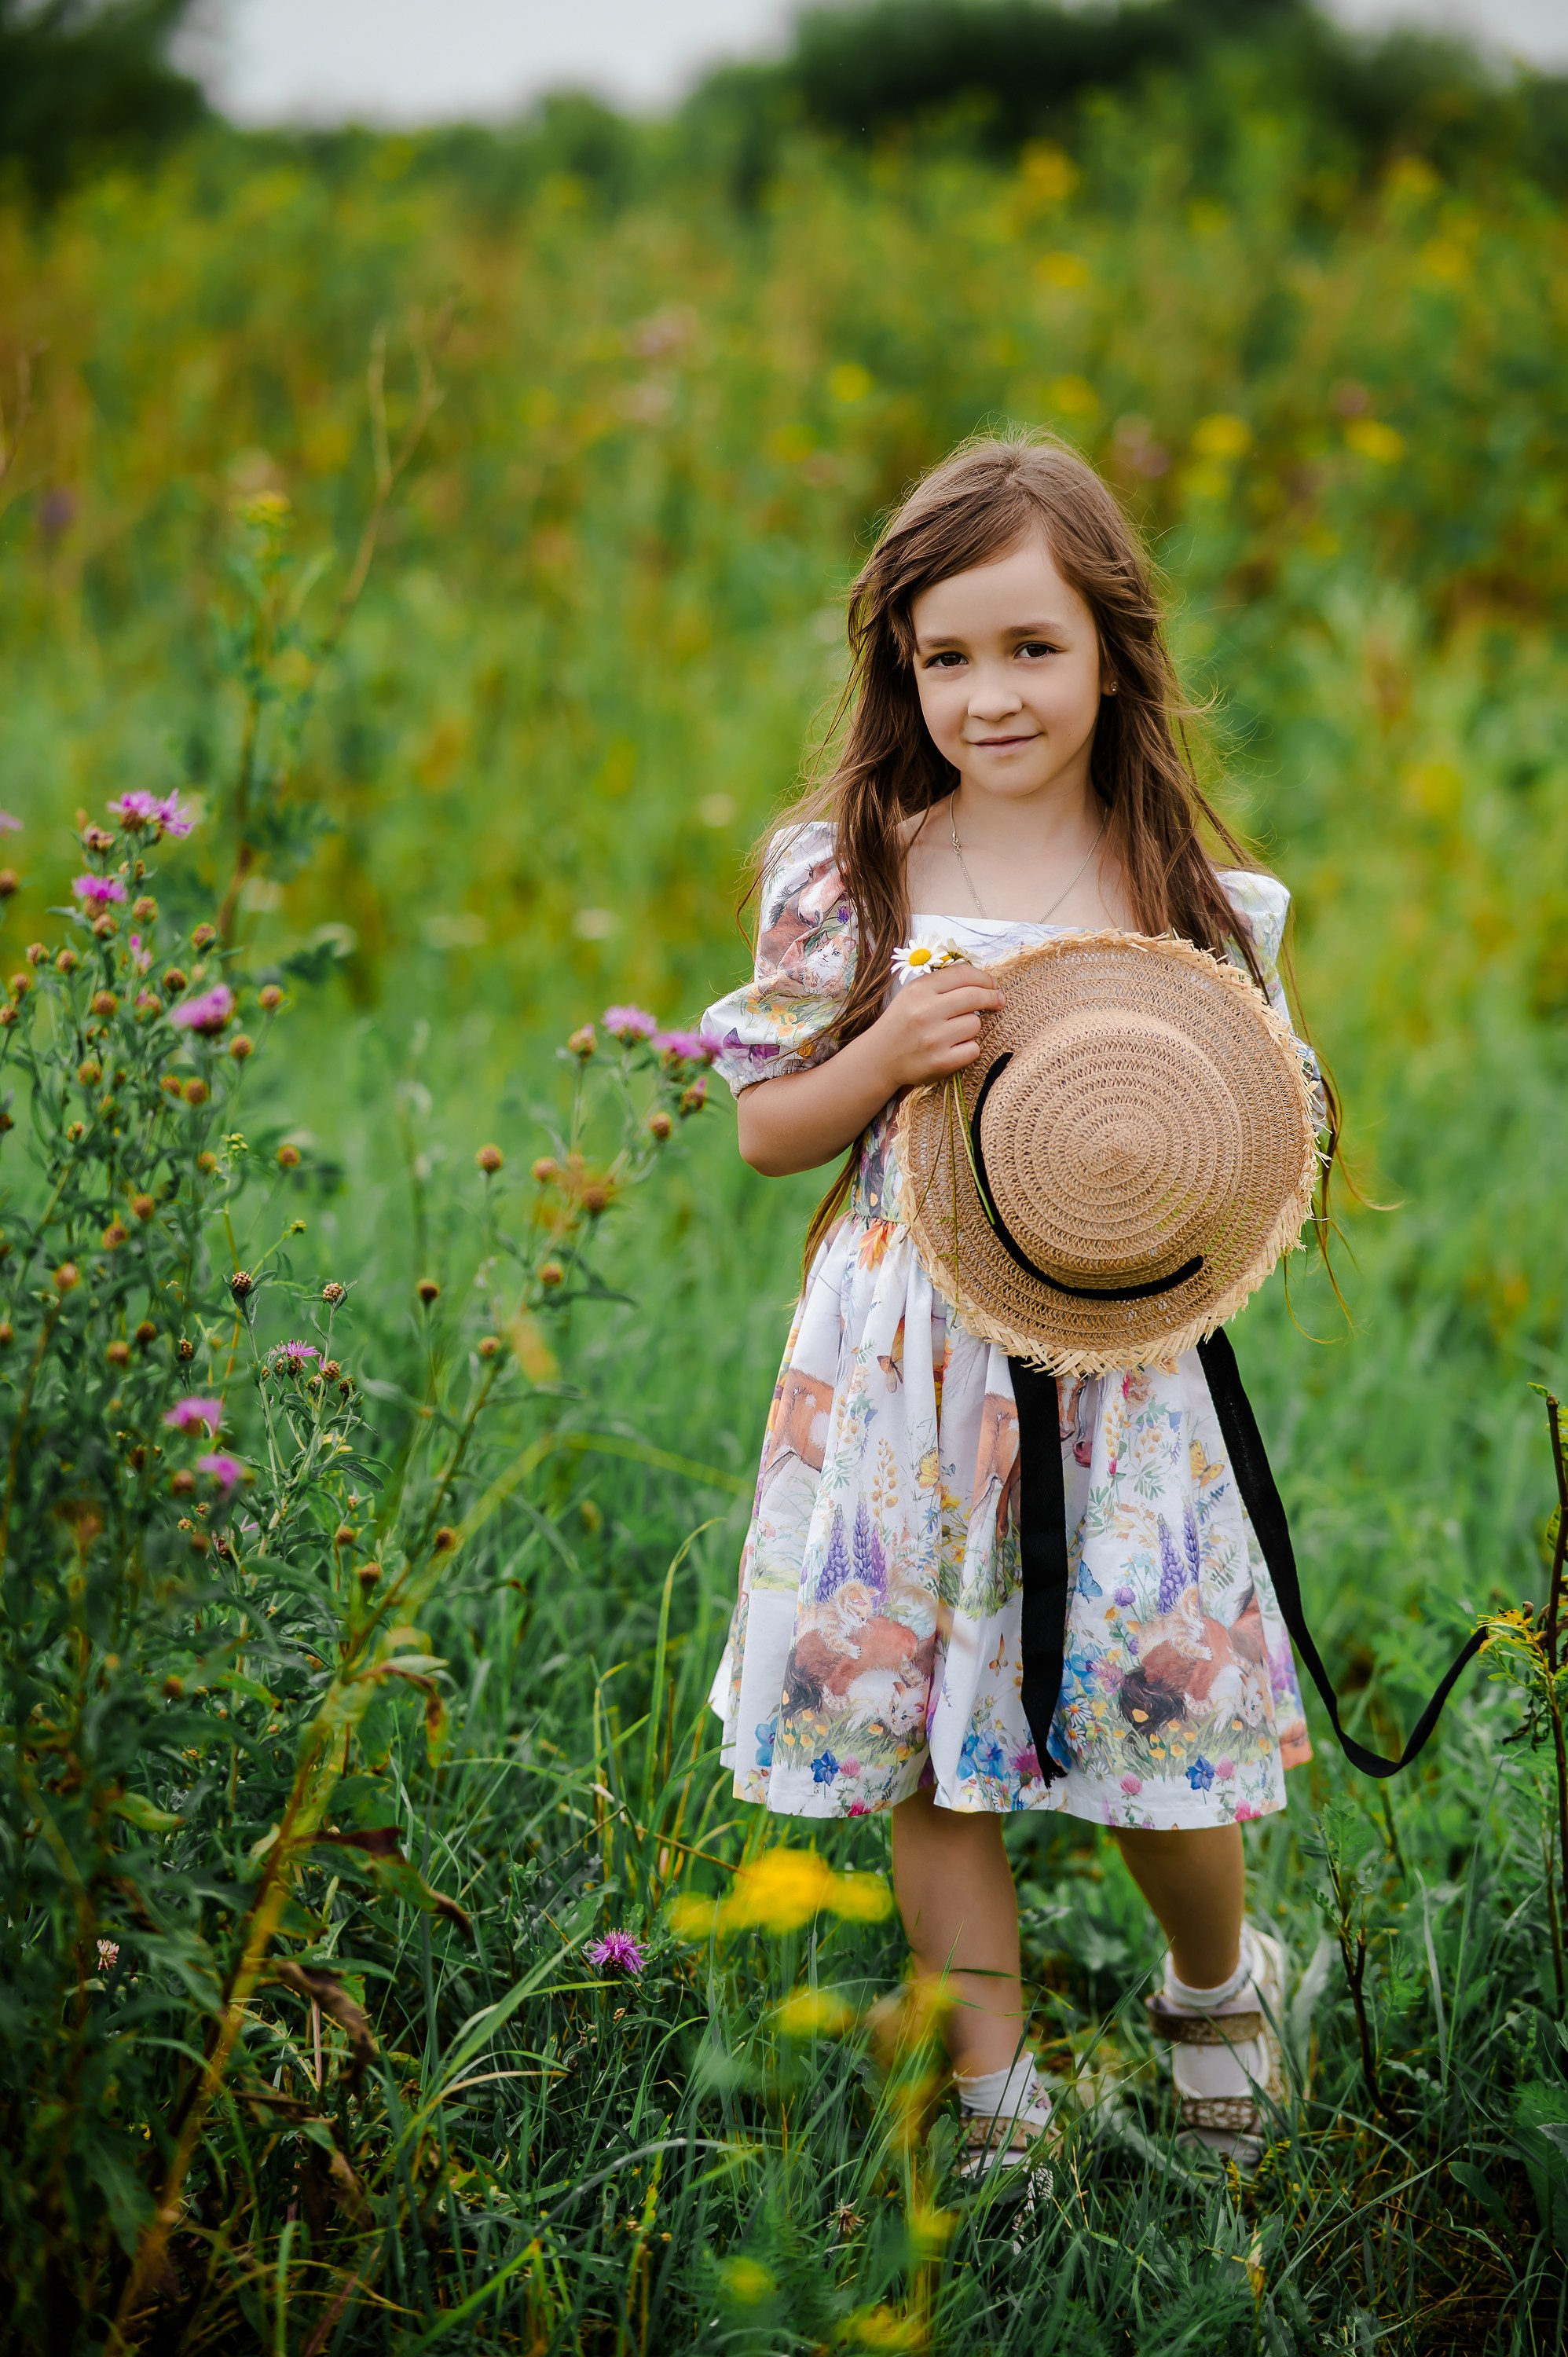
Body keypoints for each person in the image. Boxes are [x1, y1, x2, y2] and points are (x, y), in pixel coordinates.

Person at [700, 432, 1333, 2175]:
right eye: (947, 656)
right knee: (920, 1737)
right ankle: (994, 2099)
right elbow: (763, 1127)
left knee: (1148, 1703)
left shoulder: (1184, 898)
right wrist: (886, 1053)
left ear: (1112, 653)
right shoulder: (854, 870)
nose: (990, 695)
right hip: (901, 1360)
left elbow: (1268, 1131)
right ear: (902, 672)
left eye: (1033, 647)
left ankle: (1216, 1988)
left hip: (1119, 1372)